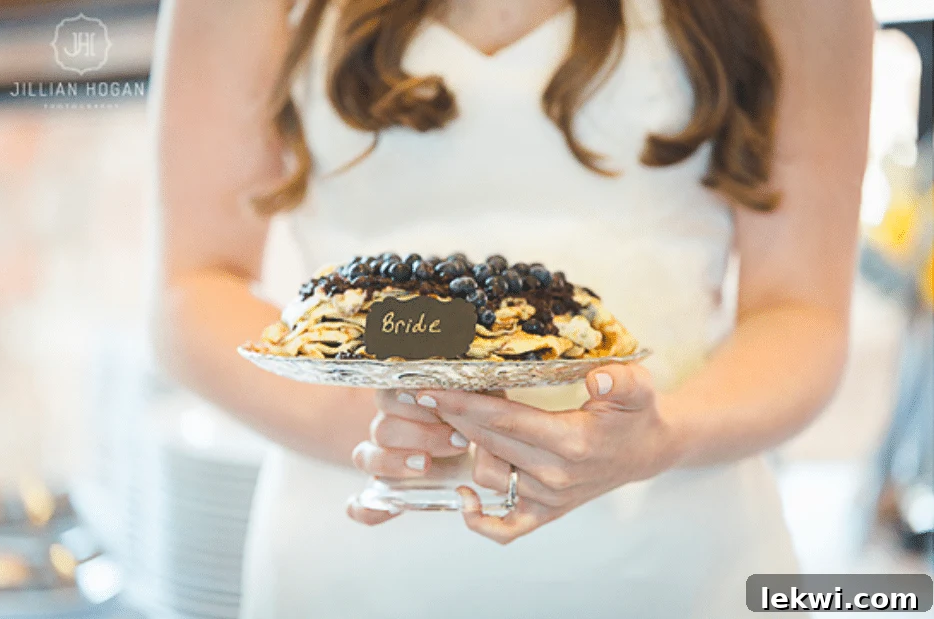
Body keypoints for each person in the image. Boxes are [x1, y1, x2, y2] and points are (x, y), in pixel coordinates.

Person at [149, 0, 873, 616]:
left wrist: (663, 436)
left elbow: (801, 313)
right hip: (353, 567)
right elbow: (191, 290)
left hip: (673, 565)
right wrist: (387, 424)